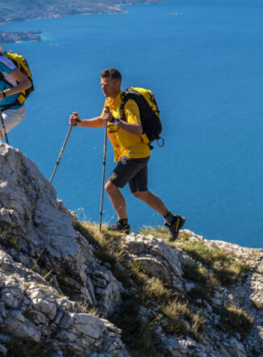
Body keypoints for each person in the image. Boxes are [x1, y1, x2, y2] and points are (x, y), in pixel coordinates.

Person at [70, 68, 186, 240]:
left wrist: (115, 121)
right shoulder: (110, 101)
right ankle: (172, 219)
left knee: (110, 187)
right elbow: (102, 120)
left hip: (134, 154)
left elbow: (137, 129)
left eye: (106, 85)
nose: (103, 89)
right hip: (134, 153)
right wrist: (79, 123)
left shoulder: (128, 104)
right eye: (102, 85)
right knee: (140, 193)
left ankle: (123, 224)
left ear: (118, 84)